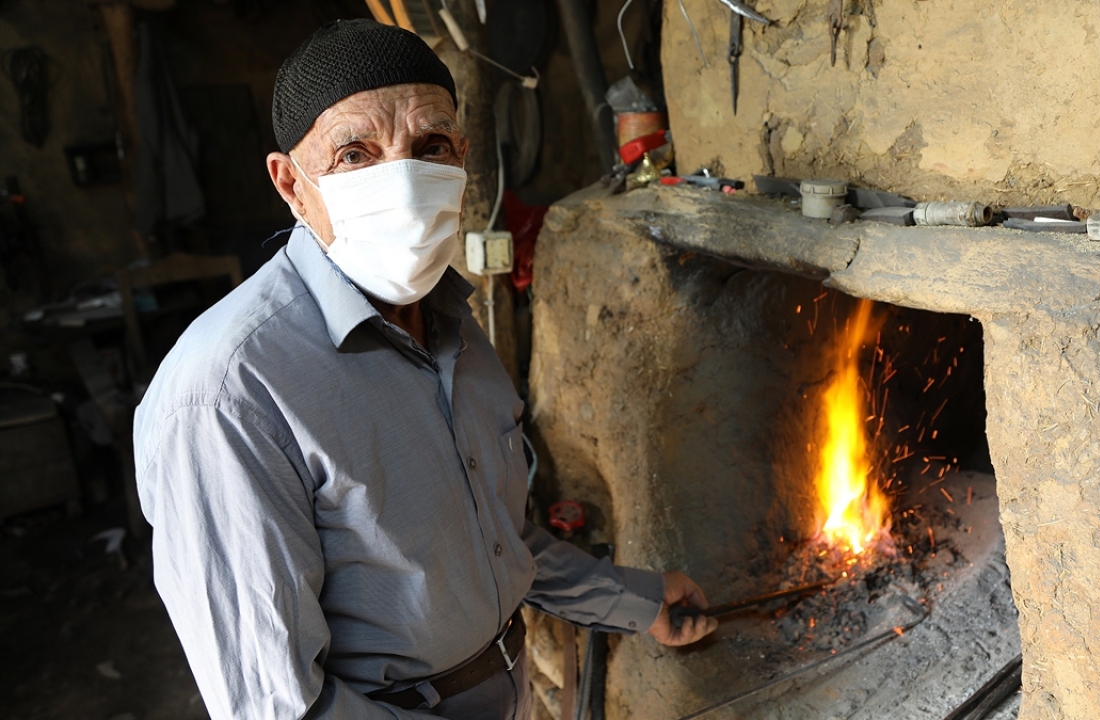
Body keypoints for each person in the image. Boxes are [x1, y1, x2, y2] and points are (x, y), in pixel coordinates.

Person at [133, 19, 715, 720]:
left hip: (510, 688)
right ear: (290, 184)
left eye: (429, 145)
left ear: (462, 157)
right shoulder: (227, 394)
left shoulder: (450, 323)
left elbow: (494, 539)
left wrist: (636, 602)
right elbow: (277, 705)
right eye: (355, 153)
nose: (403, 178)